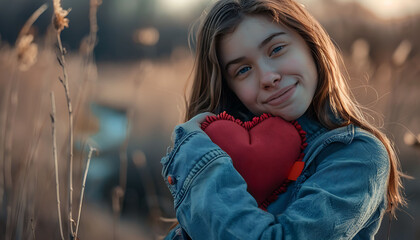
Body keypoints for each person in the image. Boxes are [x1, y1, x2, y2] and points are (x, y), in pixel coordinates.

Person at [160, 0, 406, 239]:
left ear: (310, 44)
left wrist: (197, 157)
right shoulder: (223, 155)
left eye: (276, 49)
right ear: (229, 88)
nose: (268, 77)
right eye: (243, 70)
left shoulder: (355, 155)